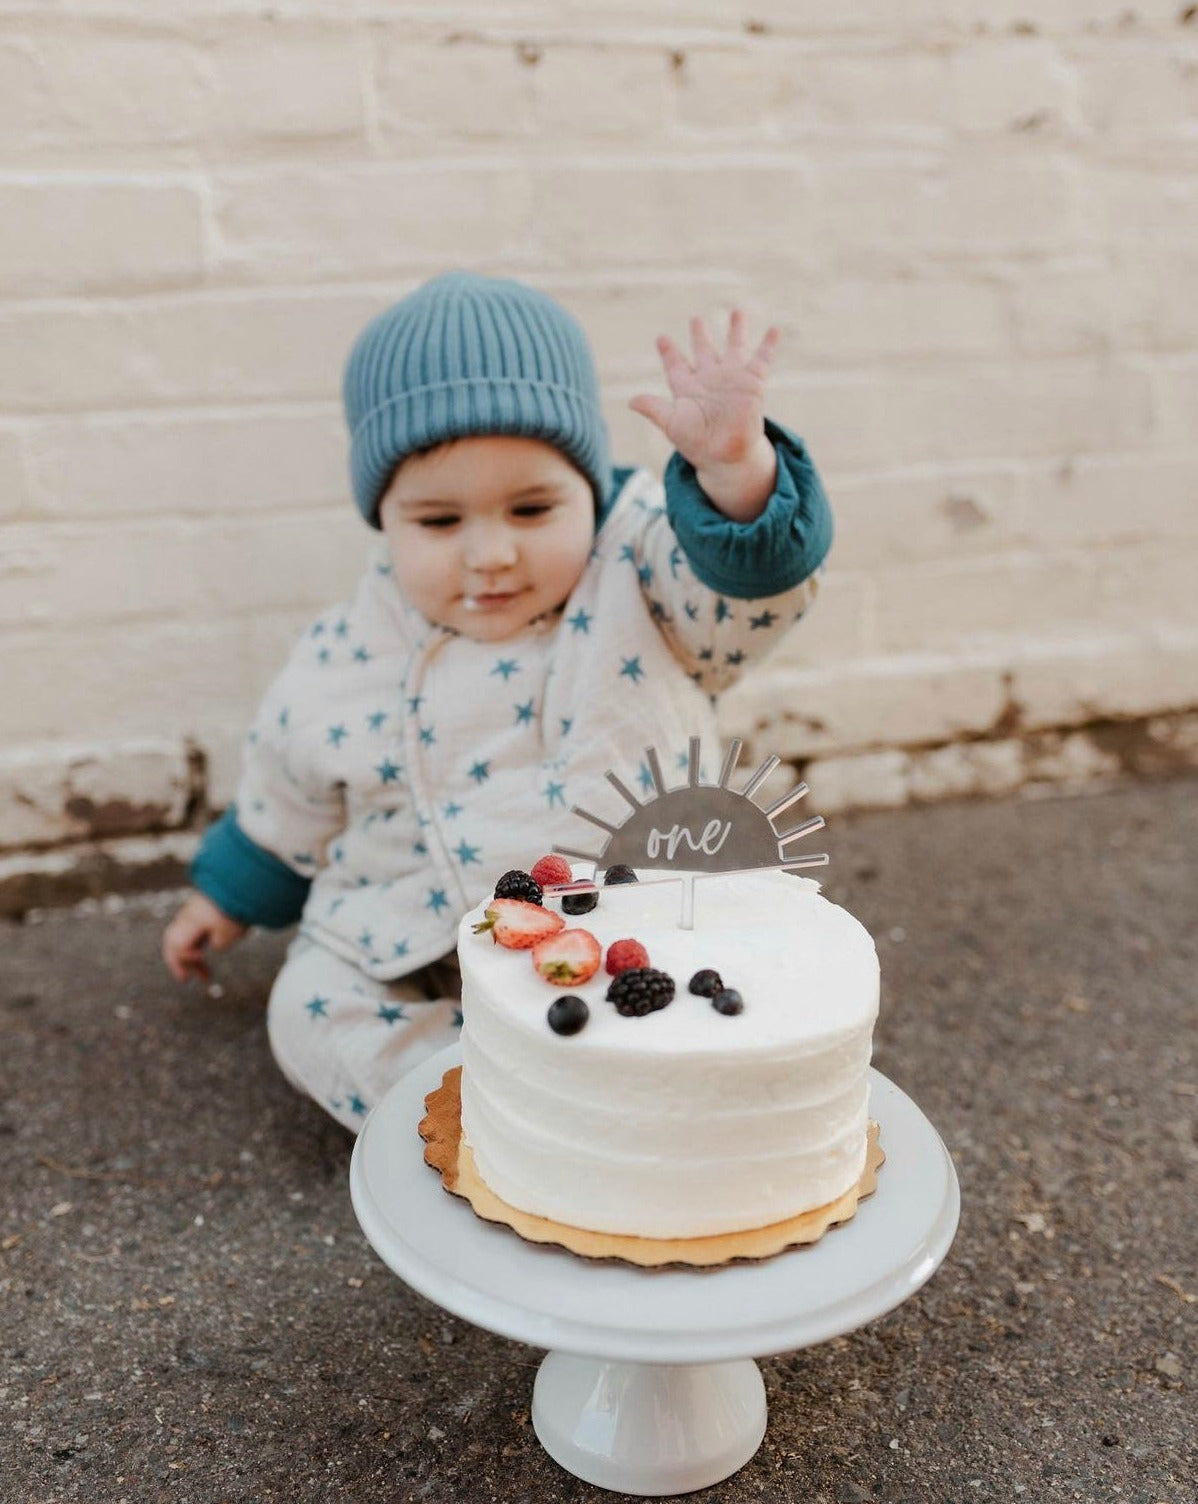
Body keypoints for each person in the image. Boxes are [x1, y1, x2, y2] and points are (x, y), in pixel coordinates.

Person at [162, 270, 832, 1131]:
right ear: (384, 519)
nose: (490, 555)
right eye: (440, 523)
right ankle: (477, 1105)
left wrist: (736, 475)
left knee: (738, 973)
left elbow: (747, 588)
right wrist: (224, 898)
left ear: (589, 488)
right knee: (310, 1009)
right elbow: (289, 789)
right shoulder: (349, 645)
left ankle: (628, 1089)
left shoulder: (644, 568)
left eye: (532, 508)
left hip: (624, 920)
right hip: (417, 930)